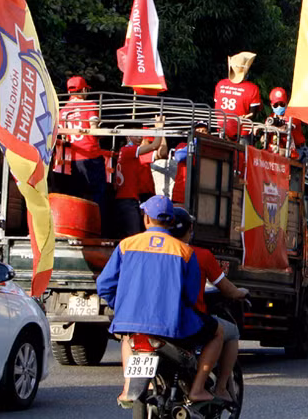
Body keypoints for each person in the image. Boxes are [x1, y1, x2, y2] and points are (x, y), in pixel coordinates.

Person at [96, 196, 224, 405]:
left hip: (131, 320)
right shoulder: (184, 251)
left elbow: (104, 285)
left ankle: (129, 387)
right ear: (171, 221)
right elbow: (191, 296)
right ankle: (198, 389)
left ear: (146, 218)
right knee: (217, 332)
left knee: (129, 338)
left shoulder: (126, 245)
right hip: (172, 324)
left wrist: (122, 306)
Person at [170, 208, 248, 401]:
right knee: (228, 331)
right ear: (190, 230)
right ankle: (220, 388)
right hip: (188, 320)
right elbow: (227, 289)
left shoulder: (149, 251)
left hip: (151, 319)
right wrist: (241, 293)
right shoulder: (198, 255)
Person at [58, 76, 107, 222]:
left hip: (72, 160)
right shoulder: (90, 105)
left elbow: (64, 138)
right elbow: (93, 130)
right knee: (98, 195)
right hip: (91, 156)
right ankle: (99, 228)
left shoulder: (62, 112)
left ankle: (79, 226)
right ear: (84, 90)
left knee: (77, 197)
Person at [113, 116, 165, 238]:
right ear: (127, 136)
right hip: (128, 200)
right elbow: (155, 145)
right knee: (134, 236)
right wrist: (160, 128)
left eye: (140, 134)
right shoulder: (129, 150)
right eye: (136, 134)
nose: (139, 138)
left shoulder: (124, 151)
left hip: (127, 199)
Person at [214, 51, 261, 142]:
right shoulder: (252, 89)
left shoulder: (220, 84)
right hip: (242, 132)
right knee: (243, 155)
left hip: (221, 129)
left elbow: (216, 106)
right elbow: (252, 114)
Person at [264, 87, 307, 162]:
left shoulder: (293, 116)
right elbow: (265, 130)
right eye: (276, 105)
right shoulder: (271, 118)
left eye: (282, 104)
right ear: (271, 105)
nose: (279, 106)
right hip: (276, 149)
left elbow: (286, 128)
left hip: (297, 150)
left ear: (286, 103)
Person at [172, 122, 210, 206]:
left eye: (204, 131)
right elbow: (179, 157)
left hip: (203, 194)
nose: (200, 133)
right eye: (198, 131)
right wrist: (195, 142)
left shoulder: (209, 150)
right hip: (182, 194)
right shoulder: (182, 145)